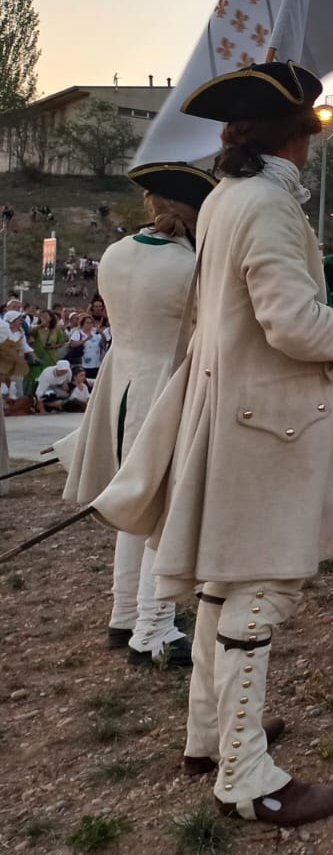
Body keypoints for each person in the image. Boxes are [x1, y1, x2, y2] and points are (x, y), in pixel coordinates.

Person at [91, 61, 333, 826]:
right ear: (299, 133)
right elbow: (289, 322)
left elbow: (267, 286)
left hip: (244, 414)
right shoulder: (264, 204)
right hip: (267, 421)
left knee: (225, 585)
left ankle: (211, 735)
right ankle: (246, 776)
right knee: (260, 589)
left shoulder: (232, 197)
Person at [59, 161, 217, 668]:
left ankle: (124, 613)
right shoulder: (189, 265)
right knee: (161, 512)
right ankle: (154, 630)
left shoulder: (114, 252)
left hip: (121, 382)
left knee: (134, 507)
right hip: (165, 387)